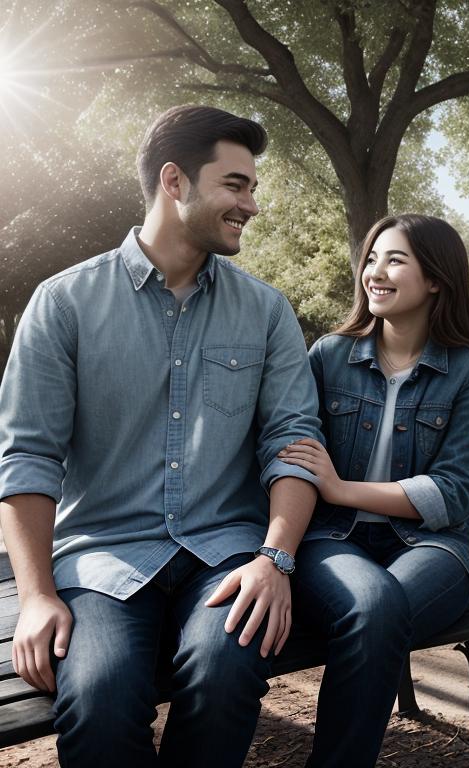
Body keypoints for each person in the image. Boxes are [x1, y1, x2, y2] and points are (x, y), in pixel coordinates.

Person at [0, 105, 323, 766]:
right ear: (175, 182)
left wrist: (276, 558)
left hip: (226, 556)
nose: (251, 205)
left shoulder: (265, 311)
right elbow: (27, 455)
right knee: (98, 697)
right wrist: (34, 598)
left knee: (226, 668)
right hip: (102, 560)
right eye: (236, 185)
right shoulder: (63, 303)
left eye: (252, 188)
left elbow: (292, 441)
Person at [276, 213, 469, 767]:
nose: (376, 271)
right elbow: (291, 450)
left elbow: (453, 495)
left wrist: (342, 488)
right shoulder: (329, 355)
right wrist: (326, 496)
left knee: (375, 615)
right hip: (334, 540)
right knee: (372, 610)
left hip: (434, 546)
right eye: (372, 258)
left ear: (437, 279)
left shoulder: (468, 373)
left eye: (395, 259)